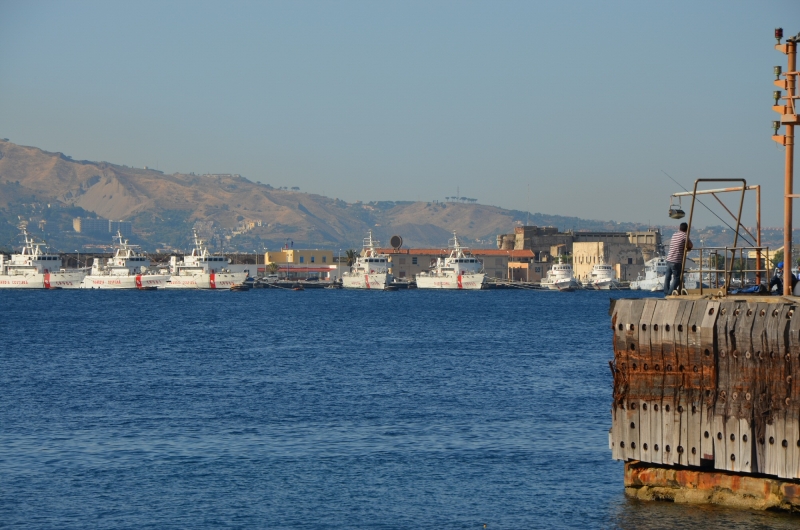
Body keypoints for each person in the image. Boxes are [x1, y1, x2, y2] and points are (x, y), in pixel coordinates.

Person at [663, 222, 693, 295]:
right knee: (677, 278)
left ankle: (666, 292)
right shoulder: (684, 236)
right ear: (687, 229)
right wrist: (687, 248)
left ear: (679, 228)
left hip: (669, 259)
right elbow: (691, 245)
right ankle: (670, 293)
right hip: (676, 260)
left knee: (667, 277)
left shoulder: (674, 234)